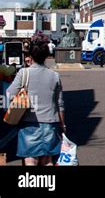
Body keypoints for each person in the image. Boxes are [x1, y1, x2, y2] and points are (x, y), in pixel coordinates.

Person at [7, 33, 65, 166]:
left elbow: (9, 94)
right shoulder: (55, 76)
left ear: (31, 56)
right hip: (50, 123)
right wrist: (63, 125)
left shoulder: (24, 73)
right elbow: (60, 104)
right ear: (46, 56)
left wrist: (22, 97)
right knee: (47, 160)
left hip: (29, 123)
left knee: (30, 159)